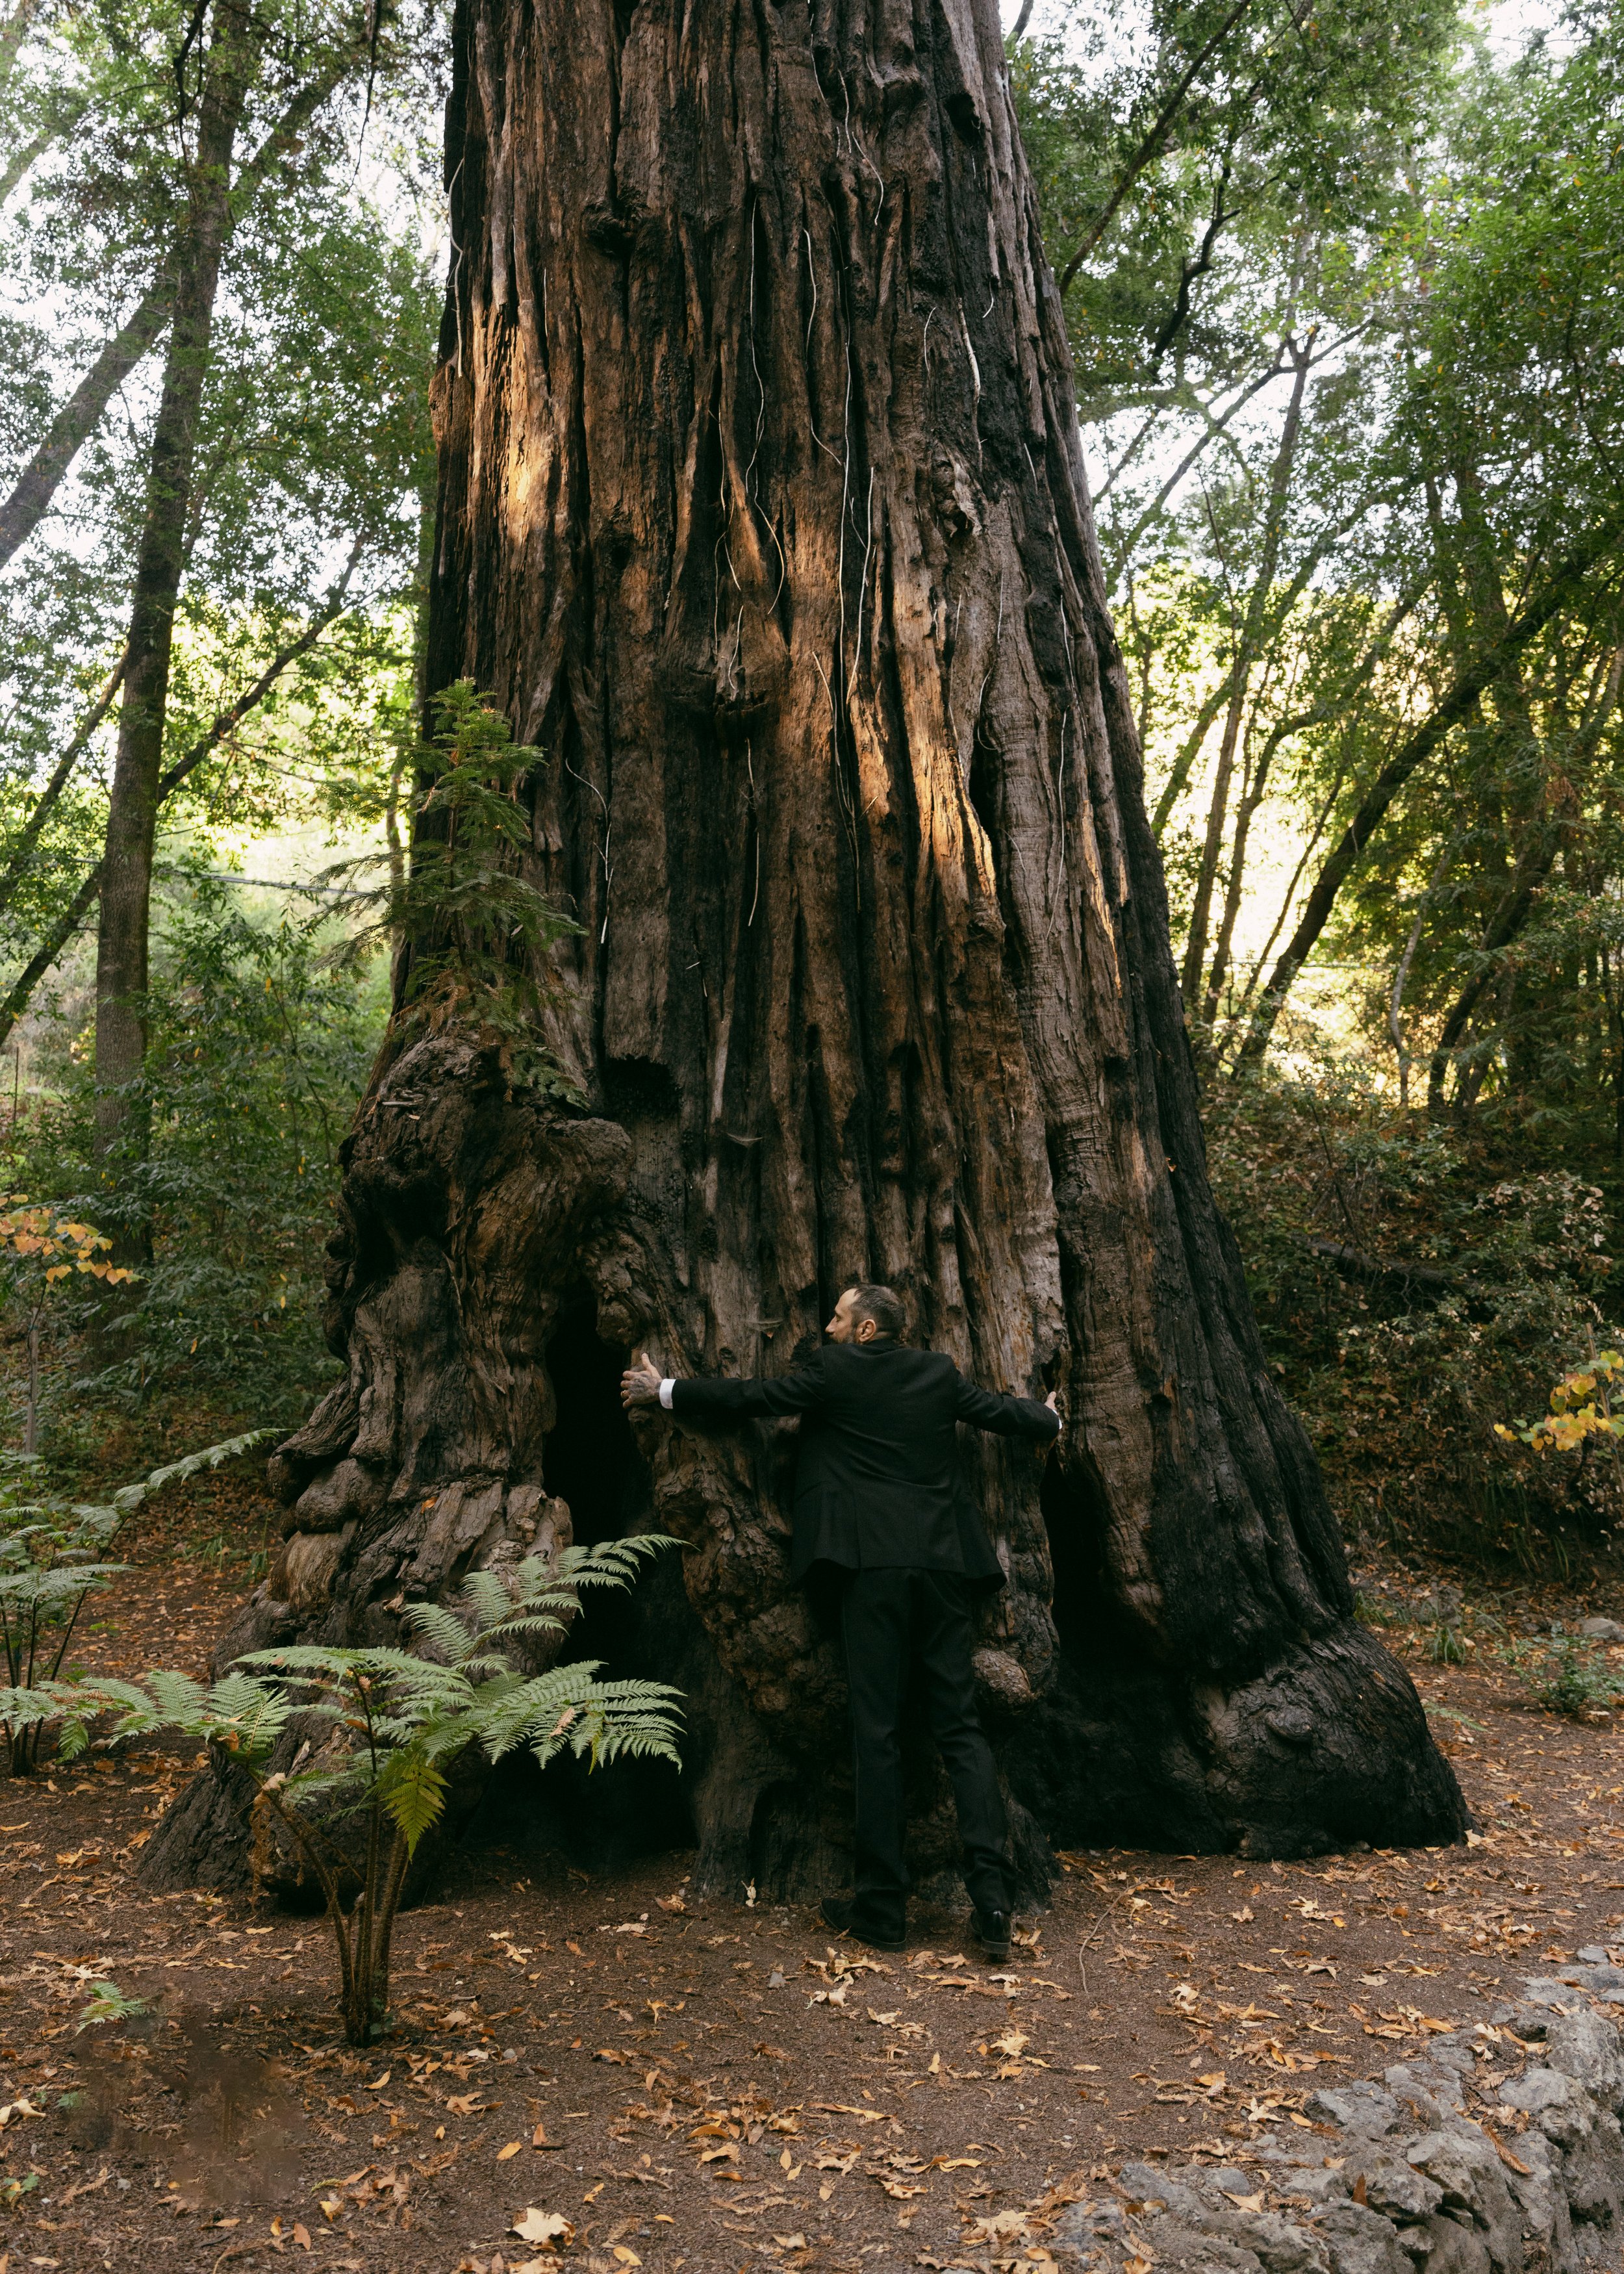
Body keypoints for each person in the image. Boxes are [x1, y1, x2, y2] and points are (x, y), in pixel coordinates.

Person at [620, 1283, 1060, 1960]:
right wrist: (1050, 1420)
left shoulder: (833, 1370)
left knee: (876, 1729)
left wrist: (665, 1390)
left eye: (837, 1316)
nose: (825, 1325)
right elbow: (999, 1412)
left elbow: (753, 1398)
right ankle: (993, 1900)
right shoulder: (937, 1372)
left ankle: (881, 1907)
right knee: (960, 1728)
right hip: (945, 1567)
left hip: (872, 1568)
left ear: (865, 1329)